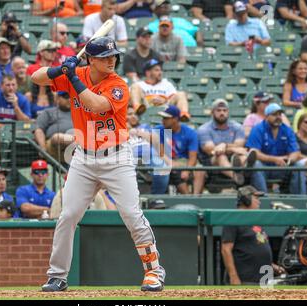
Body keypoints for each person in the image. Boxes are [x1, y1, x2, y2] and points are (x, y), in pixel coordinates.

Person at [32, 36, 166, 292]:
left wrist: (71, 78)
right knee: (68, 215)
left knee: (131, 214)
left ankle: (154, 272)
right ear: (90, 59)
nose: (111, 60)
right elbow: (36, 78)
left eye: (113, 55)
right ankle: (57, 276)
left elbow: (97, 106)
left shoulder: (118, 85)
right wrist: (59, 68)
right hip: (83, 156)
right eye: (105, 57)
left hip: (116, 157)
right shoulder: (77, 72)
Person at [221, 186, 285, 285]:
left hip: (263, 279)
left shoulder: (254, 220)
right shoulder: (233, 219)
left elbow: (256, 248)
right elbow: (226, 249)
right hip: (246, 279)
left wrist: (272, 265)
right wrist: (234, 277)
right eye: (256, 198)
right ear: (246, 199)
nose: (259, 202)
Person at [247, 103, 307, 195]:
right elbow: (255, 153)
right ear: (266, 116)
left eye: (280, 114)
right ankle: (263, 199)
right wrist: (275, 159)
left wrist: (288, 160)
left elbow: (295, 152)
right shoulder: (258, 129)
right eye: (274, 114)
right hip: (264, 167)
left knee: (298, 165)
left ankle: (300, 200)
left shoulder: (287, 130)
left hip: (282, 167)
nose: (278, 117)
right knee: (256, 164)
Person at [197, 99, 254, 190]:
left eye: (224, 110)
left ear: (228, 112)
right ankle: (236, 176)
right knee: (221, 156)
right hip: (211, 161)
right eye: (218, 110)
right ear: (212, 112)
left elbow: (239, 146)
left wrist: (225, 145)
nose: (222, 113)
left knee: (241, 156)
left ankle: (246, 167)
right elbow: (211, 150)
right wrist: (231, 148)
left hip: (233, 157)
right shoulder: (203, 129)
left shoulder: (237, 127)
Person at [0, 75, 31, 166]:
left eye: (13, 85)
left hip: (17, 129)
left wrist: (16, 106)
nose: (11, 88)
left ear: (17, 86)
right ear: (1, 86)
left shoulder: (22, 100)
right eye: (8, 85)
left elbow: (26, 122)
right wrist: (8, 129)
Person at [154, 105, 199, 194]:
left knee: (199, 171)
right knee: (173, 170)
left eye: (166, 118)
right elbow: (160, 152)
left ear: (175, 119)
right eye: (163, 118)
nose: (163, 120)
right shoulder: (159, 130)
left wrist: (187, 170)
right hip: (166, 160)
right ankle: (188, 198)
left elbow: (192, 157)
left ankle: (194, 198)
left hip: (184, 161)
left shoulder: (189, 133)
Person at [34, 91, 74, 162]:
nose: (69, 99)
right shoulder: (48, 112)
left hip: (75, 149)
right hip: (55, 147)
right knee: (57, 137)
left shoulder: (78, 113)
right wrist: (43, 149)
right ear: (57, 98)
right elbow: (38, 130)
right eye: (66, 97)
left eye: (71, 97)